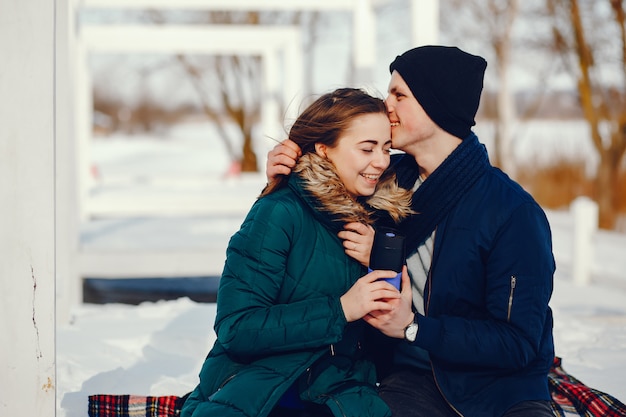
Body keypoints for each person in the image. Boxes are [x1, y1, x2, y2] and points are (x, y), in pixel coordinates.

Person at [265, 46, 556, 417]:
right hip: (411, 379)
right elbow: (317, 212)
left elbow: (517, 343)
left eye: (399, 94)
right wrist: (289, 173)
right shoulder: (383, 175)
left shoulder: (512, 212)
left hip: (501, 390)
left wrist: (414, 327)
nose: (386, 104)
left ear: (438, 106)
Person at [181, 88, 415, 417]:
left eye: (386, 148)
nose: (381, 161)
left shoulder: (379, 219)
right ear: (323, 149)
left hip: (340, 393)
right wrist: (341, 310)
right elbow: (236, 327)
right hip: (260, 393)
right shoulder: (278, 213)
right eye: (367, 148)